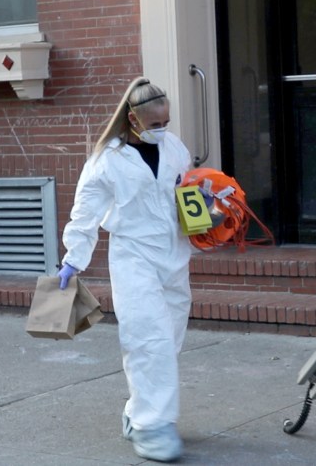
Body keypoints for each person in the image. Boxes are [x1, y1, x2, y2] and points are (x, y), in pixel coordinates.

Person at [57, 77, 194, 463]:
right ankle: (153, 426)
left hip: (174, 255)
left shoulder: (174, 147)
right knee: (148, 338)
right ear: (132, 119)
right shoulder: (107, 160)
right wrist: (73, 258)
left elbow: (189, 191)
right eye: (155, 124)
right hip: (133, 256)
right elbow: (85, 212)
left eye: (166, 121)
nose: (162, 130)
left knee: (168, 340)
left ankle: (138, 411)